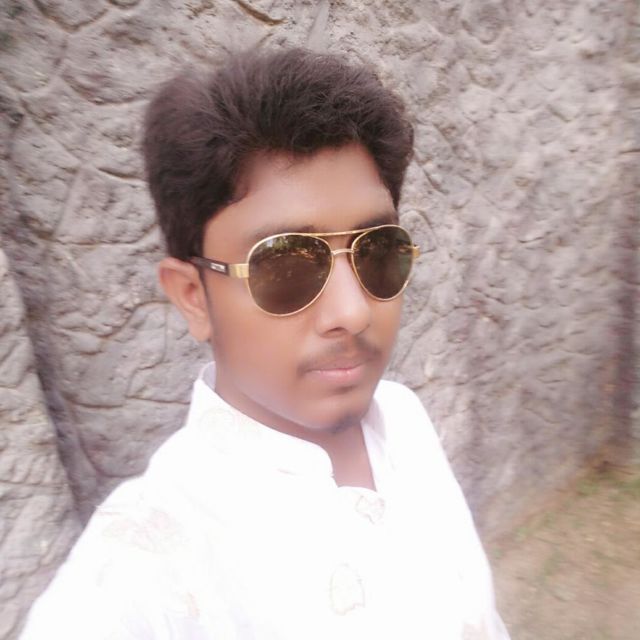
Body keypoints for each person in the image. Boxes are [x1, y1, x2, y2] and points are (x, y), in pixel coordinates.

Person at [20, 48, 509, 639]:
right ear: (193, 297)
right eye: (285, 265)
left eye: (378, 250)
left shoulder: (403, 418)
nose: (353, 312)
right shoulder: (138, 575)